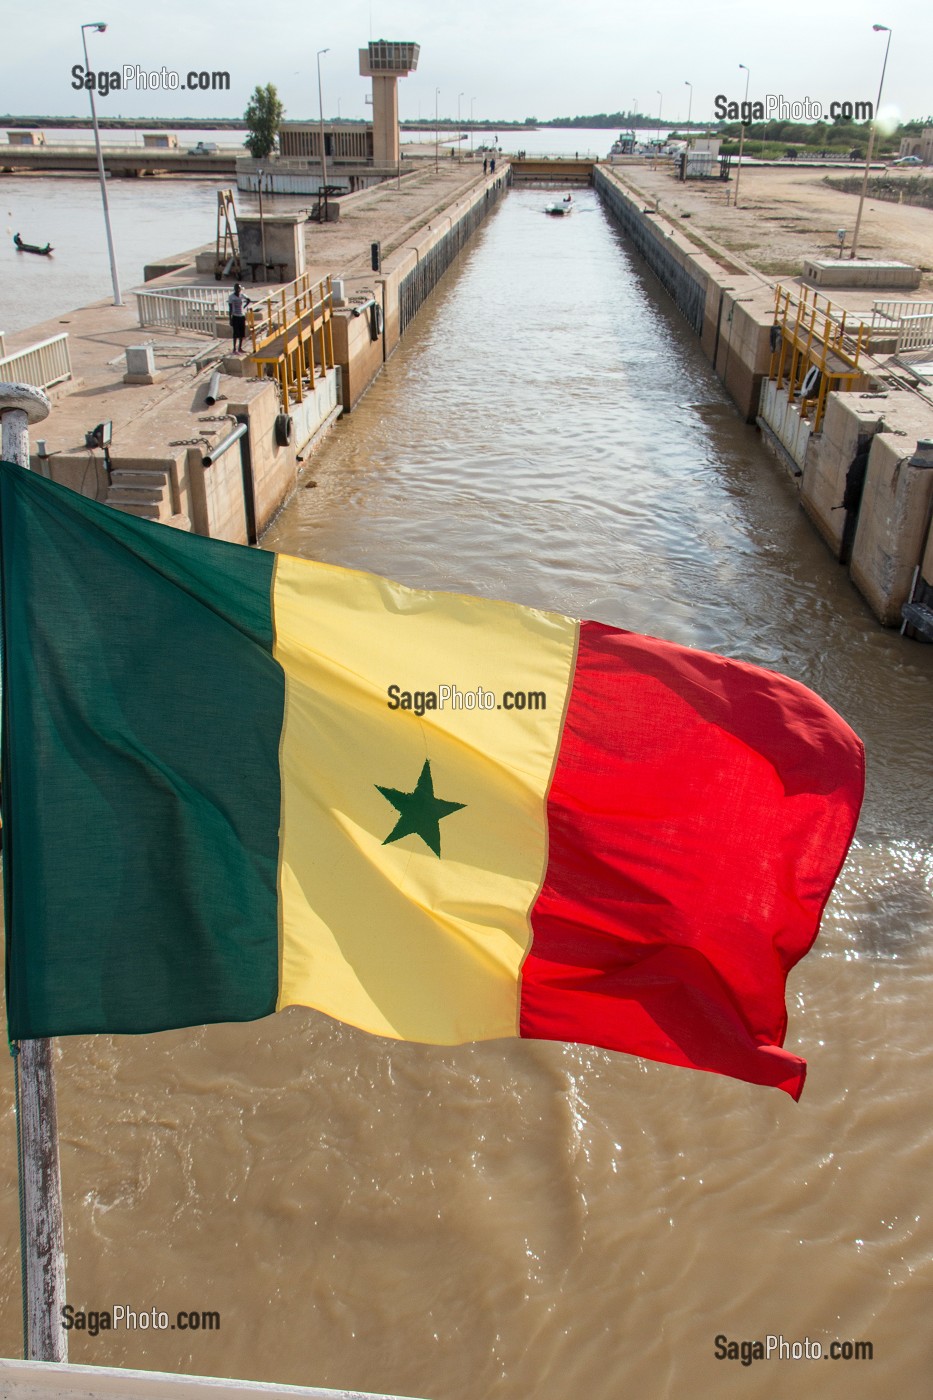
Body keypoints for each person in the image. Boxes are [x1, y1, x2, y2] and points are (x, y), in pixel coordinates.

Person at [227, 283, 251, 354]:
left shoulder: (242, 295)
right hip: (235, 316)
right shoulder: (231, 297)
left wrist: (245, 306)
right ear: (234, 289)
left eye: (239, 289)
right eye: (237, 288)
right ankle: (234, 349)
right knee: (235, 333)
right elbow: (230, 308)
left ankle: (240, 348)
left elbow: (248, 299)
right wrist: (230, 319)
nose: (238, 290)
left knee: (241, 333)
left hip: (241, 316)